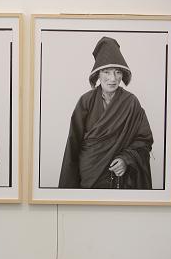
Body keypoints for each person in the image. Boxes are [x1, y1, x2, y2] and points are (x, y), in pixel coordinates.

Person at [59, 36, 153, 189]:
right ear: (98, 74)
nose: (113, 78)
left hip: (119, 178)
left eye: (117, 72)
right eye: (107, 72)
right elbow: (73, 144)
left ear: (123, 74)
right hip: (89, 174)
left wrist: (126, 159)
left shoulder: (131, 102)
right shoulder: (85, 101)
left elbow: (144, 140)